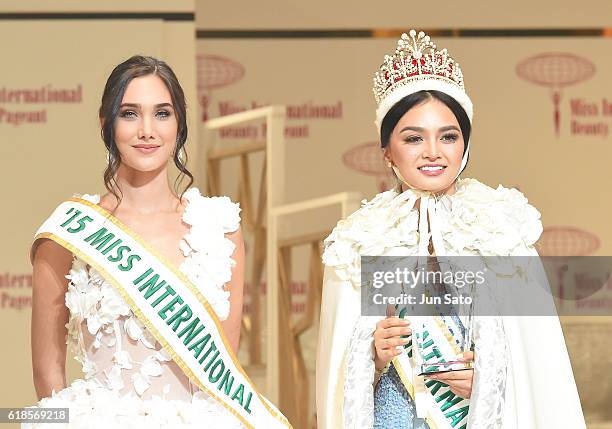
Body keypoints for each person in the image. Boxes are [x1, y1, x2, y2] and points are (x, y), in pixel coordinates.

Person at [316, 30, 586, 429]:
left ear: (465, 144)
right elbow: (336, 380)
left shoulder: (500, 228)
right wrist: (371, 356)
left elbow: (538, 370)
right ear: (386, 150)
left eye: (448, 136)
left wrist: (487, 384)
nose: (432, 152)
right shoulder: (358, 239)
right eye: (413, 138)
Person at [27, 55, 290, 428]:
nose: (147, 130)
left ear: (180, 124)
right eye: (130, 113)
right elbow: (48, 374)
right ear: (106, 124)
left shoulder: (219, 229)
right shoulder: (69, 234)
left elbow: (223, 369)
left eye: (162, 113)